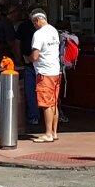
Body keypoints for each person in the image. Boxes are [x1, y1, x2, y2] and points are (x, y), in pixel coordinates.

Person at [27, 9, 63, 142]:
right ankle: (54, 132)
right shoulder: (53, 30)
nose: (34, 25)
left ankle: (48, 134)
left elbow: (35, 56)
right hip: (56, 71)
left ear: (36, 20)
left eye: (33, 23)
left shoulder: (38, 34)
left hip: (44, 73)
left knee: (47, 104)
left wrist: (28, 59)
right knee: (54, 103)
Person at [14, 5, 39, 126]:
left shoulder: (23, 26)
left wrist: (19, 59)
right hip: (44, 65)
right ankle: (49, 116)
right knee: (47, 91)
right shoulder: (48, 29)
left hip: (29, 62)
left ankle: (34, 116)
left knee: (30, 91)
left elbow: (17, 43)